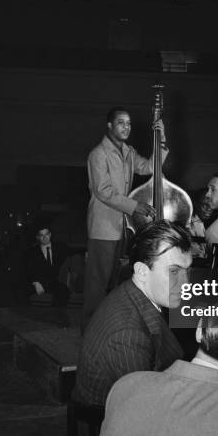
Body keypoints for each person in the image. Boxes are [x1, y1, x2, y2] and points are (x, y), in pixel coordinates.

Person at [73, 220, 192, 407]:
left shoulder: (134, 292)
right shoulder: (127, 336)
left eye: (188, 270)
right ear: (142, 271)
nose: (186, 284)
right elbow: (142, 413)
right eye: (174, 271)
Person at [82, 107, 169, 331]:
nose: (126, 127)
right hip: (103, 228)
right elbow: (103, 191)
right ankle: (90, 330)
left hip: (123, 228)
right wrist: (135, 206)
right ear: (109, 125)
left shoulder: (128, 152)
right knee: (97, 283)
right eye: (121, 122)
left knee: (114, 282)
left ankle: (107, 328)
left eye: (129, 123)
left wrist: (162, 137)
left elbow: (151, 166)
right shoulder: (98, 154)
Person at [21, 225, 71, 325]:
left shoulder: (61, 247)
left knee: (63, 290)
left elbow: (73, 257)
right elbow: (28, 269)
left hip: (55, 281)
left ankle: (59, 319)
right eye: (41, 235)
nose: (44, 237)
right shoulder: (32, 251)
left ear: (50, 235)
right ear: (38, 237)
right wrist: (35, 282)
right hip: (39, 281)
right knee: (21, 291)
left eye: (47, 234)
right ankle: (30, 322)